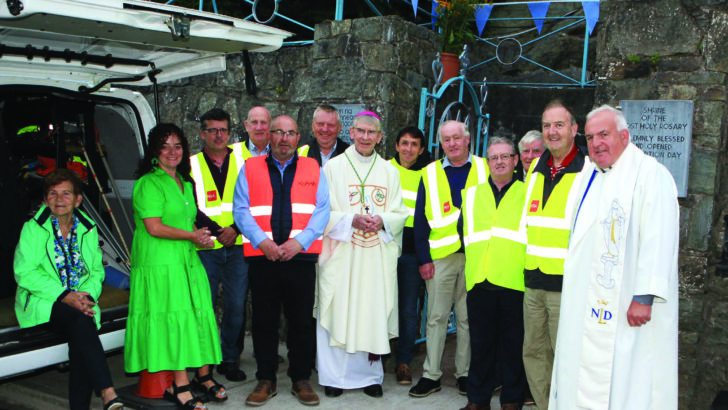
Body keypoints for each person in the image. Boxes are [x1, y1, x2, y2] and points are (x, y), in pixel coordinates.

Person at [549, 105, 678, 409]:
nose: (596, 144)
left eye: (604, 135)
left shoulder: (650, 175)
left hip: (627, 305)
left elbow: (659, 238)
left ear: (624, 135)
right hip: (585, 302)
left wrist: (644, 296)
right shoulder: (589, 177)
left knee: (628, 381)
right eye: (591, 137)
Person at [232, 115, 330, 407]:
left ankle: (300, 379)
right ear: (269, 136)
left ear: (298, 138)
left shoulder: (313, 167)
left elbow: (322, 210)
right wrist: (264, 243)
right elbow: (241, 209)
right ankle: (266, 379)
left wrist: (297, 243)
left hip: (300, 258)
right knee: (264, 321)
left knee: (301, 321)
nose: (284, 139)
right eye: (279, 132)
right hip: (264, 258)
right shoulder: (250, 167)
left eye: (291, 133)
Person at [125, 124, 223, 410]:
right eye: (165, 146)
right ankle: (178, 386)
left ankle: (192, 380)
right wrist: (193, 236)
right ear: (154, 151)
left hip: (184, 260)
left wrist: (200, 237)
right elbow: (154, 227)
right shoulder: (148, 183)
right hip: (159, 264)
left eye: (177, 146)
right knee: (173, 320)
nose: (172, 152)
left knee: (190, 318)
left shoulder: (185, 183)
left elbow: (186, 221)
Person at [14, 169, 123, 410]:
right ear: (45, 200)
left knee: (80, 328)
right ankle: (107, 391)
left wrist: (87, 297)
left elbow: (96, 271)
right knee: (81, 323)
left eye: (66, 193)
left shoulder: (88, 227)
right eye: (52, 193)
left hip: (80, 302)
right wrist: (65, 296)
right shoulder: (34, 228)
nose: (59, 199)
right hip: (43, 301)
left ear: (78, 200)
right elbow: (24, 272)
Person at [316, 111, 408, 398]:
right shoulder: (333, 167)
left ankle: (370, 377)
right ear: (352, 133)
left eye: (372, 133)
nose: (366, 137)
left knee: (371, 310)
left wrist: (382, 221)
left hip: (374, 256)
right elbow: (322, 212)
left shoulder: (390, 171)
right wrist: (349, 220)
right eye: (361, 132)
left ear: (380, 137)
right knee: (339, 308)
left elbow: (399, 212)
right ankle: (334, 377)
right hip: (342, 253)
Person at [410, 120, 488, 398]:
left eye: (457, 138)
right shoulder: (428, 172)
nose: (452, 143)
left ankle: (465, 374)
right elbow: (420, 219)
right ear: (440, 143)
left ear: (468, 139)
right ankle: (431, 375)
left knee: (469, 319)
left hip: (475, 255)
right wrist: (423, 258)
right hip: (440, 257)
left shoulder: (484, 167)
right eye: (446, 140)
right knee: (436, 317)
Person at [522, 100, 589, 410]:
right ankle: (544, 404)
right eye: (547, 125)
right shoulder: (536, 166)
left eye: (559, 125)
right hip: (533, 280)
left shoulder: (589, 171)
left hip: (566, 283)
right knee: (533, 353)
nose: (552, 131)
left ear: (574, 130)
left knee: (566, 355)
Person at [460, 137, 527, 410]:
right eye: (493, 157)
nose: (499, 162)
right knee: (481, 346)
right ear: (487, 162)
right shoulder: (472, 193)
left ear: (515, 160)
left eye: (505, 156)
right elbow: (462, 231)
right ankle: (477, 401)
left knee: (513, 346)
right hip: (479, 279)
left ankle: (511, 400)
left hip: (513, 280)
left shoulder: (527, 192)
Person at [190, 108, 249, 382]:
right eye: (212, 130)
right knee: (205, 306)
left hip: (238, 246)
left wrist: (235, 230)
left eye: (223, 130)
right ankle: (205, 362)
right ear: (203, 133)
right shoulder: (189, 164)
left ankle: (229, 359)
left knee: (236, 307)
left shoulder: (244, 160)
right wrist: (218, 231)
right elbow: (189, 207)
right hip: (205, 248)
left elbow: (254, 200)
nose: (218, 135)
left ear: (230, 132)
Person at [389, 126, 431, 385]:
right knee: (380, 305)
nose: (408, 149)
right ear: (396, 145)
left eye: (414, 145)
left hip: (411, 252)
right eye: (404, 143)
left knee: (407, 310)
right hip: (382, 248)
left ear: (422, 149)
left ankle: (403, 361)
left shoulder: (429, 175)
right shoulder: (383, 169)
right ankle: (375, 359)